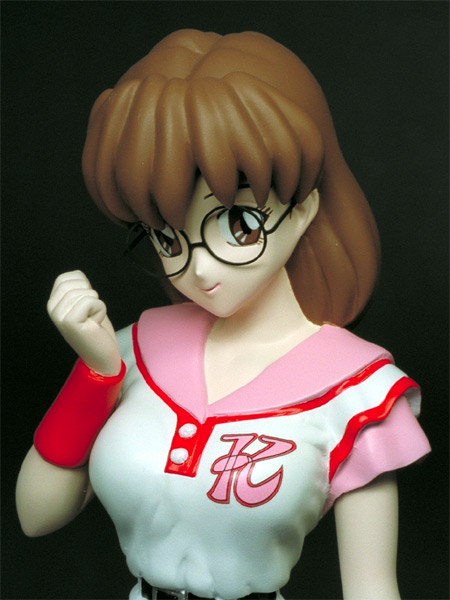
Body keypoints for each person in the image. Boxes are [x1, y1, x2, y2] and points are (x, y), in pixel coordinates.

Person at [16, 30, 430, 600]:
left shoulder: (359, 393)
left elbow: (372, 588)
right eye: (166, 236)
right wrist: (96, 376)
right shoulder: (129, 350)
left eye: (238, 226)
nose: (198, 269)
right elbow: (35, 515)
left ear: (304, 206)